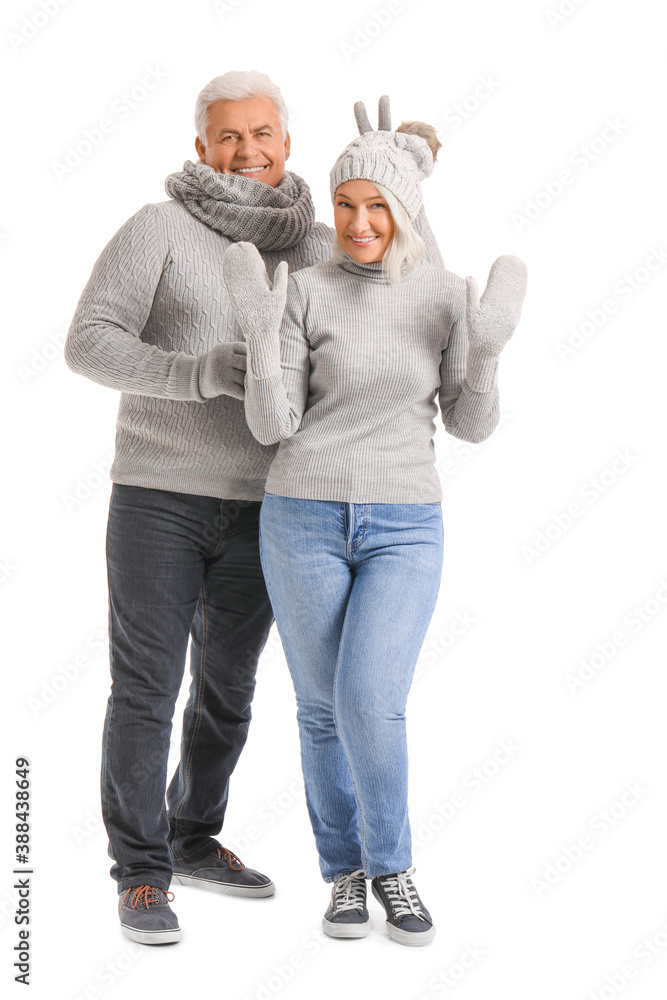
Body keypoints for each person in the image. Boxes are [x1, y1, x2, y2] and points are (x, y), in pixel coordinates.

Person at [64, 72, 442, 945]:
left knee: (228, 690)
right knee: (147, 687)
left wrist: (408, 174)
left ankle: (194, 837)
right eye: (228, 137)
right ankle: (141, 873)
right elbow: (89, 341)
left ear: (286, 142)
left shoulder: (317, 242)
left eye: (262, 133)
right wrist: (189, 374)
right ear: (201, 147)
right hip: (158, 494)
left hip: (274, 505)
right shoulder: (158, 229)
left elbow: (404, 289)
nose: (247, 151)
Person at [221, 107, 527, 947]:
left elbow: (468, 425)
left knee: (370, 702)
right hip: (301, 516)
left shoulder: (442, 294)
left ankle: (393, 867)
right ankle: (345, 875)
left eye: (377, 207)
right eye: (345, 205)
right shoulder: (306, 290)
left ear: (403, 210)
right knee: (321, 710)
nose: (358, 224)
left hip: (403, 522)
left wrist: (487, 355)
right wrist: (260, 334)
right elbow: (271, 427)